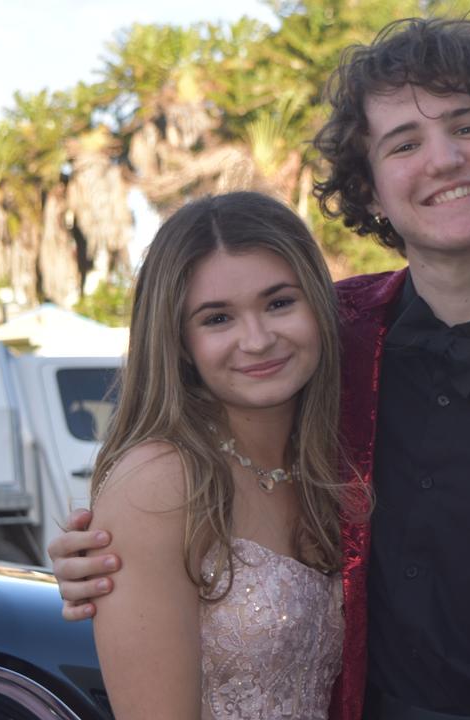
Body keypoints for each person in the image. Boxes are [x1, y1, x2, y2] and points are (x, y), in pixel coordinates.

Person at [51, 14, 470, 720]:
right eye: (403, 143)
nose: (443, 159)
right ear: (367, 190)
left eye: (465, 126)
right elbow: (198, 453)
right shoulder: (319, 338)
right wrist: (94, 552)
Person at [82, 191, 348, 718]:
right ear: (180, 342)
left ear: (317, 303)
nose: (256, 339)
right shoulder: (160, 482)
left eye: (278, 303)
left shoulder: (328, 464)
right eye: (217, 319)